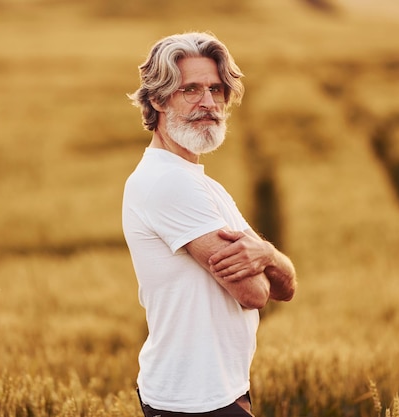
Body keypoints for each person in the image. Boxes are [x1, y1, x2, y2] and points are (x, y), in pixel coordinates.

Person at [122, 32, 297, 417]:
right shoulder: (168, 183)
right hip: (191, 402)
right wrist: (267, 261)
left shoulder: (204, 186)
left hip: (222, 390)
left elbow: (286, 288)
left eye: (216, 90)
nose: (208, 103)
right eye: (190, 90)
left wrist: (265, 253)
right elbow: (254, 294)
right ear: (157, 99)